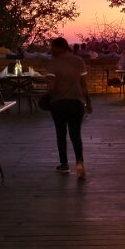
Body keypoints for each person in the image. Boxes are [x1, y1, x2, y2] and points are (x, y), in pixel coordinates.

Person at [46, 37, 92, 179]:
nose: (50, 50)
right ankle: (79, 163)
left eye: (52, 47)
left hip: (58, 103)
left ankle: (64, 164)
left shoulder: (53, 62)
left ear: (59, 47)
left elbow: (51, 87)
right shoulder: (79, 61)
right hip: (76, 103)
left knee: (61, 134)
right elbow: (84, 84)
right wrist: (88, 102)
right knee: (75, 134)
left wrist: (47, 97)